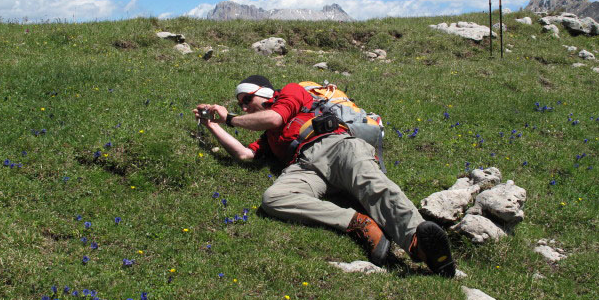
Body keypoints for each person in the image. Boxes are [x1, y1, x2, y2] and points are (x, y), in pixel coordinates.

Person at [194, 75, 455, 277]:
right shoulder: (268, 137)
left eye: (247, 100)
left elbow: (275, 118)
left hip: (335, 145)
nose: (244, 107)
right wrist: (213, 125)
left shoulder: (290, 91)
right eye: (241, 104)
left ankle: (421, 245)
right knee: (273, 198)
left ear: (264, 93)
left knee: (374, 186)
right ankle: (357, 222)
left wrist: (231, 119)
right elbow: (243, 154)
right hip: (305, 166)